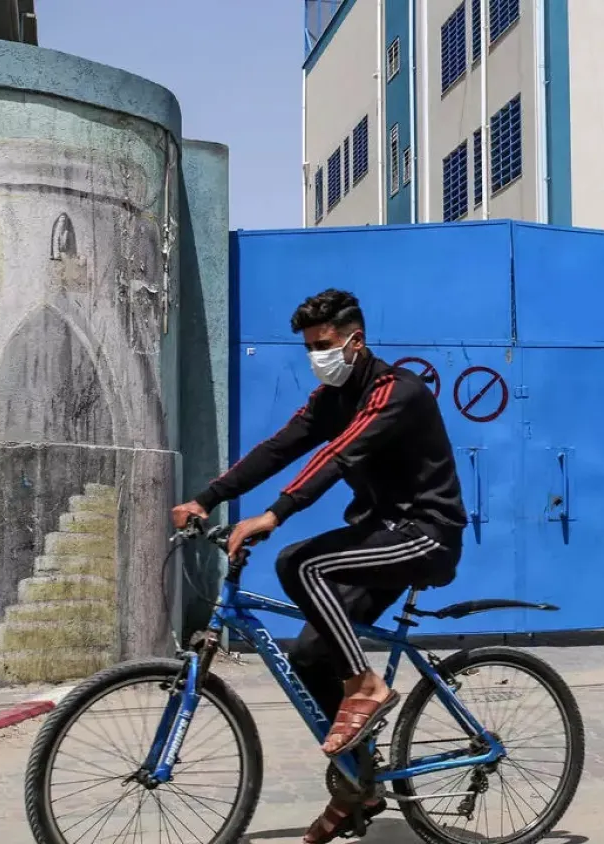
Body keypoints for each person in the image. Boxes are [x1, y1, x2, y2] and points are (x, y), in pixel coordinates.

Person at [170, 289, 467, 842]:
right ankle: (361, 783)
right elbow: (278, 447)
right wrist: (207, 498)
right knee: (308, 654)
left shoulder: (396, 391)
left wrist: (275, 513)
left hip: (426, 534)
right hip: (378, 534)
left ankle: (366, 685)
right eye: (309, 348)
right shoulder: (333, 397)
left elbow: (338, 455)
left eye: (324, 345)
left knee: (301, 563)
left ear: (356, 340)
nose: (316, 356)